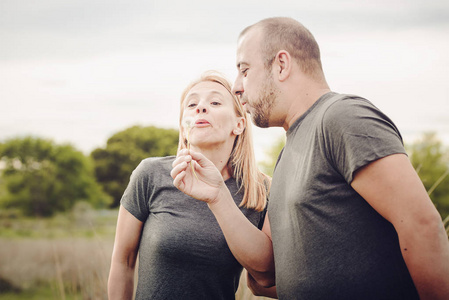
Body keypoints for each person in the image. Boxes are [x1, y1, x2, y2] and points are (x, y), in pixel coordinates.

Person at [172, 17, 449, 299]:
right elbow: (266, 273)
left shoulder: (341, 117)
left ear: (281, 64)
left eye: (244, 70)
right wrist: (218, 194)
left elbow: (422, 225)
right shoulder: (286, 156)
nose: (237, 87)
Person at [107, 71, 270, 300]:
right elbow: (122, 262)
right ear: (184, 129)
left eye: (214, 102)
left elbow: (267, 276)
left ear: (239, 124)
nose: (200, 108)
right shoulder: (150, 174)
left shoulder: (260, 191)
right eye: (192, 104)